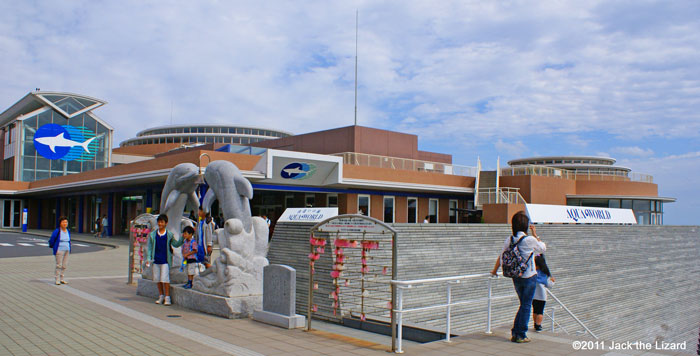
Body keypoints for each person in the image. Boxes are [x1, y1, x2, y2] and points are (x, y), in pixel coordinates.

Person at [491, 211, 546, 343]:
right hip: (529, 276)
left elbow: (502, 256)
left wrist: (494, 271)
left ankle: (516, 332)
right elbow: (542, 248)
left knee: (523, 304)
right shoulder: (529, 240)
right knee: (526, 305)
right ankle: (520, 334)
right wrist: (535, 234)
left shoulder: (509, 240)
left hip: (516, 276)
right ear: (525, 226)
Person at [146, 214, 184, 305]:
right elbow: (150, 248)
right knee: (158, 279)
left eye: (162, 222)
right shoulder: (153, 235)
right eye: (159, 222)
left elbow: (175, 244)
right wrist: (148, 258)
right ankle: (161, 296)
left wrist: (182, 238)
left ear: (166, 223)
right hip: (156, 260)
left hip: (165, 261)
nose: (160, 223)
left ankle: (167, 297)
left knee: (165, 279)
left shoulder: (169, 235)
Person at [532, 254, 555, 332]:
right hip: (542, 295)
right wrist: (552, 281)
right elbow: (549, 285)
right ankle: (538, 325)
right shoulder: (544, 274)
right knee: (540, 311)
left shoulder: (533, 272)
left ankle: (535, 324)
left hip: (533, 294)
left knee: (535, 310)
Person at [48, 216, 71, 285]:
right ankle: (57, 279)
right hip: (59, 249)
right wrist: (53, 246)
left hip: (67, 249)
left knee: (64, 265)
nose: (65, 224)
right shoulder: (57, 231)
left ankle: (62, 278)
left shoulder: (67, 231)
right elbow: (52, 239)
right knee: (59, 265)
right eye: (63, 222)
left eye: (66, 222)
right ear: (60, 223)